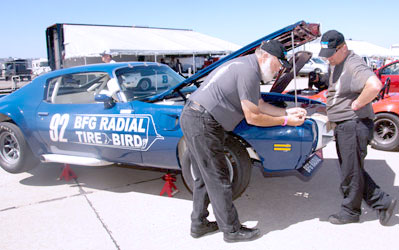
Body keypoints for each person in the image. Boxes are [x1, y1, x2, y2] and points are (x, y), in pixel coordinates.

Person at [179, 40, 307, 243]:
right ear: (265, 56)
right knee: (218, 178)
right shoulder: (249, 71)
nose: (278, 70)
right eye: (278, 64)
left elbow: (259, 104)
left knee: (205, 177)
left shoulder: (245, 66)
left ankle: (199, 223)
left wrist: (286, 111)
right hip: (203, 121)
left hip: (197, 118)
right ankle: (231, 230)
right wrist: (285, 121)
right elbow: (253, 117)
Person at [318, 30, 397, 225]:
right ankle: (383, 202)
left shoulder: (353, 64)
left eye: (331, 55)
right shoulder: (339, 62)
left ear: (343, 47)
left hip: (353, 125)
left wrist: (357, 104)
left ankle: (350, 212)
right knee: (352, 169)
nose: (328, 59)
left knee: (351, 173)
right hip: (346, 125)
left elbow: (374, 85)